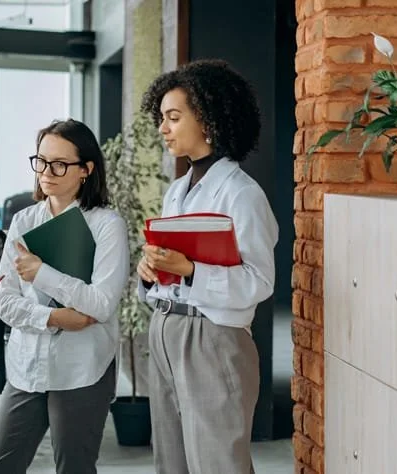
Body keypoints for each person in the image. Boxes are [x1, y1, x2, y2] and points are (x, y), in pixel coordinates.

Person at [136, 59, 279, 473]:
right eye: (161, 118)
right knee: (171, 462)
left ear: (209, 120)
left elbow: (259, 282)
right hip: (166, 330)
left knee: (217, 463)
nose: (164, 128)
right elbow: (171, 270)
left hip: (212, 339)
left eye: (174, 117)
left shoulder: (242, 195)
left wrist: (191, 270)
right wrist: (151, 273)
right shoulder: (177, 191)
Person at [0, 119, 130, 474]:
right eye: (41, 161)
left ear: (86, 170)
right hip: (26, 366)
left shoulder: (107, 225)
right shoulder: (23, 221)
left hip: (82, 368)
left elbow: (102, 304)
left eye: (59, 164)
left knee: (74, 468)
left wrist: (41, 274)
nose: (46, 172)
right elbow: (3, 298)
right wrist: (52, 318)